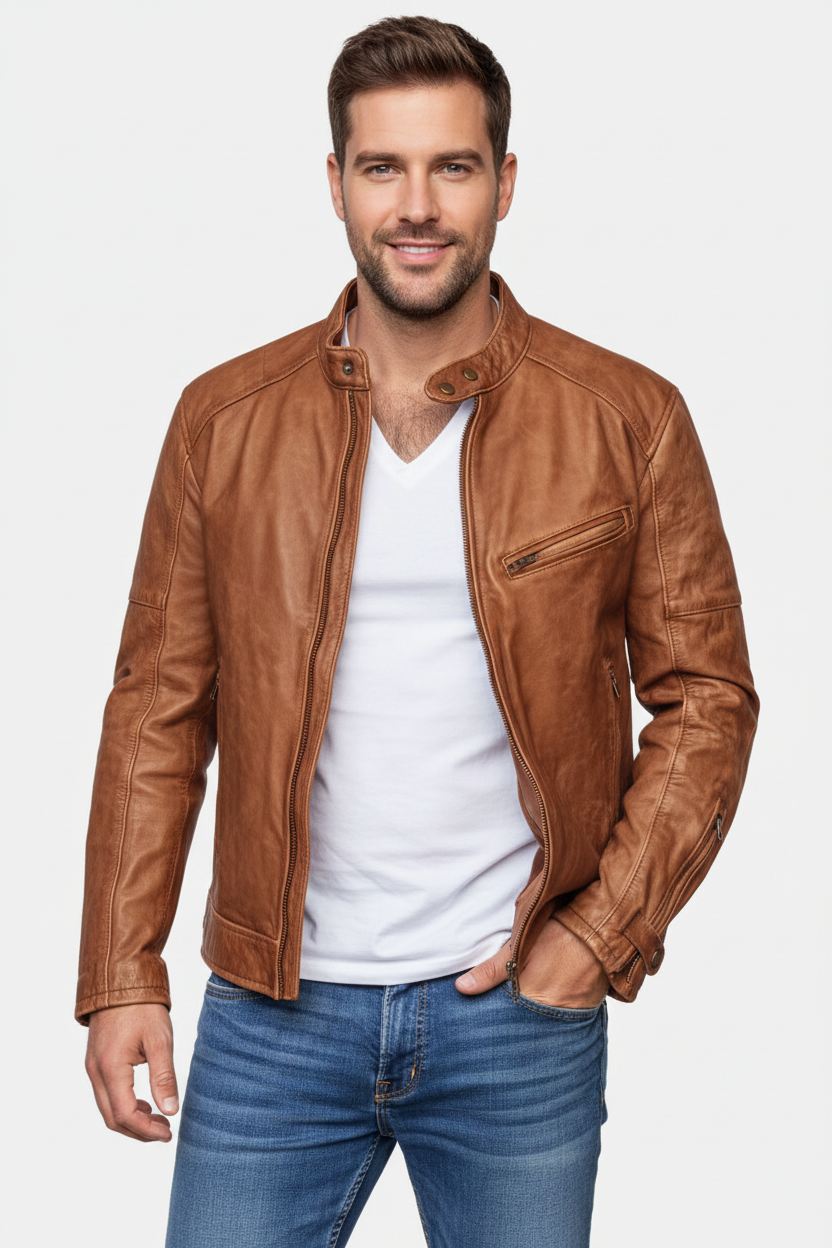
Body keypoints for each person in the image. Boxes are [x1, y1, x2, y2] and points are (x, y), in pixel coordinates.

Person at [77, 15, 758, 1248]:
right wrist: (122, 970)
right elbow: (157, 709)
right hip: (271, 1015)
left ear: (505, 181)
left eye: (452, 166)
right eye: (383, 167)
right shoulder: (223, 421)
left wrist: (596, 937)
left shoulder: (625, 417)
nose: (417, 206)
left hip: (515, 1019)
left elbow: (706, 696)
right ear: (336, 183)